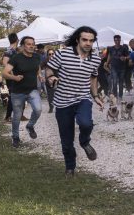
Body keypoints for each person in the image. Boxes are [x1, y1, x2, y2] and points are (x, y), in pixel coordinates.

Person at [44, 26, 103, 177]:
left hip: (83, 97)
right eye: (84, 40)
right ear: (78, 39)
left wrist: (95, 96)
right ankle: (70, 167)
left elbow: (93, 77)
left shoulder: (95, 58)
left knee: (86, 123)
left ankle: (84, 141)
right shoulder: (62, 53)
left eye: (91, 40)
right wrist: (51, 79)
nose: (88, 43)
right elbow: (49, 70)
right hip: (63, 102)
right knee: (66, 139)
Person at [4, 35, 44, 148]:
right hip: (18, 92)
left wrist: (40, 75)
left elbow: (37, 67)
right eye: (28, 44)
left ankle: (30, 126)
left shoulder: (36, 57)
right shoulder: (16, 58)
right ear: (23, 46)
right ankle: (15, 137)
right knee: (16, 116)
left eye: (33, 44)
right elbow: (5, 73)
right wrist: (15, 78)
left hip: (32, 90)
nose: (31, 46)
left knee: (38, 109)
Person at [107, 34, 131, 100]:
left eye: (118, 40)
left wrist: (125, 58)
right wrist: (107, 63)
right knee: (114, 82)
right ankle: (115, 95)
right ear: (114, 41)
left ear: (120, 40)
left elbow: (129, 56)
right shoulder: (111, 48)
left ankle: (120, 96)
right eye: (116, 40)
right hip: (114, 67)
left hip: (122, 68)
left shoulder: (123, 48)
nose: (117, 41)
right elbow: (109, 56)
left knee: (121, 82)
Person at [1, 33, 19, 124]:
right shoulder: (9, 50)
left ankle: (18, 115)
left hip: (15, 77)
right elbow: (4, 62)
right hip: (12, 77)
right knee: (13, 96)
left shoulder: (14, 50)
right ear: (17, 40)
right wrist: (11, 73)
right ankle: (7, 117)